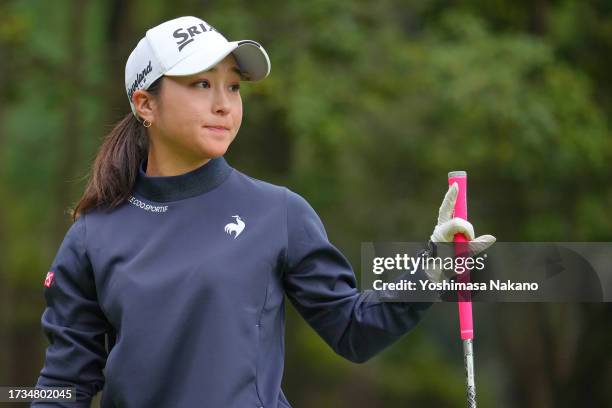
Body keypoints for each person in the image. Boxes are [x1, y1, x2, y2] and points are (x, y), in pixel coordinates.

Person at [32, 16, 495, 408]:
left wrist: (430, 266)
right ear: (145, 104)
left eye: (233, 87)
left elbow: (354, 330)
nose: (223, 104)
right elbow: (63, 386)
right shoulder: (94, 235)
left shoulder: (278, 212)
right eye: (200, 84)